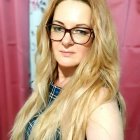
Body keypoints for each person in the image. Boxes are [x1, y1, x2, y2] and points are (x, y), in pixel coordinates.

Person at [10, 0, 126, 139]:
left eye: (80, 31)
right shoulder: (49, 81)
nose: (66, 41)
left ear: (98, 39)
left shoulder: (99, 101)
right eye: (58, 28)